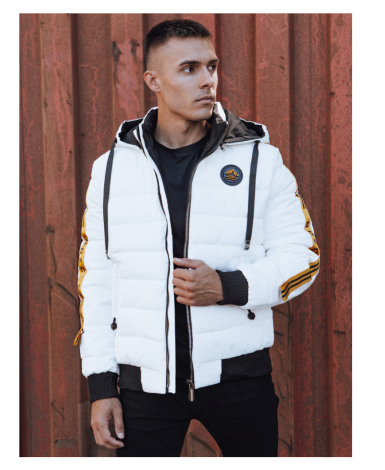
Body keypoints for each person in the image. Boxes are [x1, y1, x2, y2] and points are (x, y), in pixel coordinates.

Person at [74, 19, 320, 457]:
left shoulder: (259, 160)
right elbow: (97, 281)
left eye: (212, 66)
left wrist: (227, 286)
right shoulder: (111, 169)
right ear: (154, 80)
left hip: (240, 380)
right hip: (144, 387)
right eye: (189, 69)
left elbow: (303, 257)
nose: (207, 80)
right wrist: (101, 386)